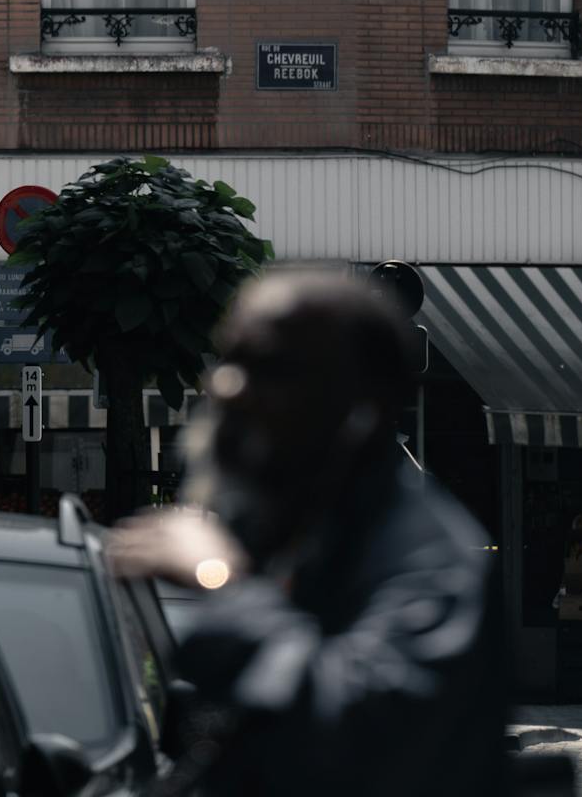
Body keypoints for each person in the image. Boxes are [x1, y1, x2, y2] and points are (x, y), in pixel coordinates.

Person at [109, 270, 508, 797]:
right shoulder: (291, 527)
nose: (228, 388)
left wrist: (218, 580)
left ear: (364, 397)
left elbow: (363, 741)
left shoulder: (433, 559)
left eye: (272, 368)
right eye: (228, 359)